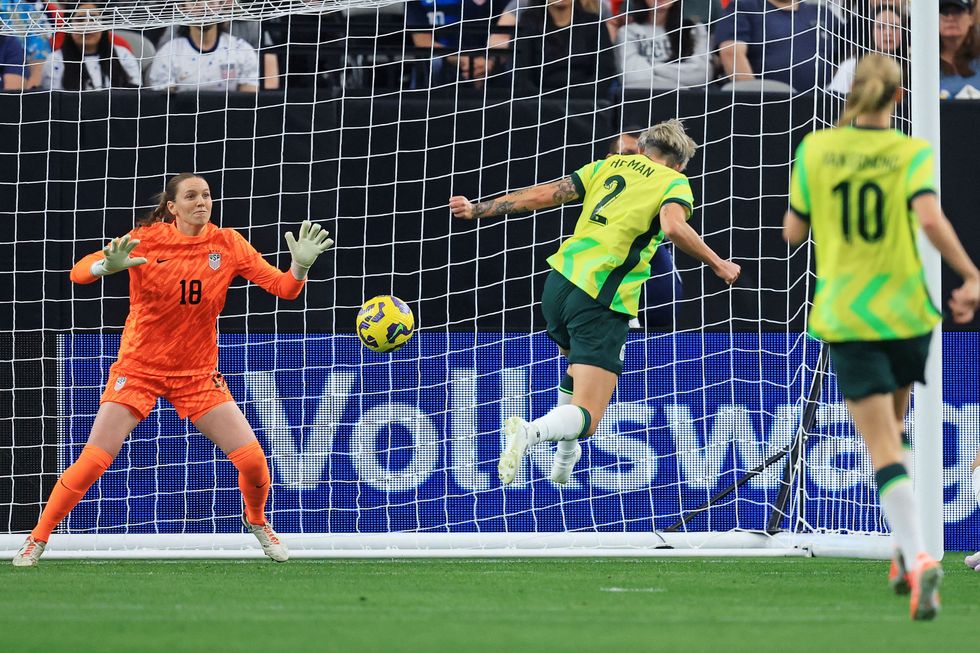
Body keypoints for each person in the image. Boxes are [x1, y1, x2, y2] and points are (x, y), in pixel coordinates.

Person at [11, 173, 334, 567]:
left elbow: (284, 288)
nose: (202, 202)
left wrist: (299, 266)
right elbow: (78, 273)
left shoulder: (227, 243)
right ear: (172, 206)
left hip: (197, 375)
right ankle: (36, 539)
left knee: (252, 460)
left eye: (207, 195)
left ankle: (257, 521)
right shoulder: (148, 238)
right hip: (140, 368)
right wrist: (103, 267)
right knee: (94, 459)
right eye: (192, 196)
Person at [782, 54, 980, 619]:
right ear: (898, 99)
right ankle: (903, 547)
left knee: (882, 447)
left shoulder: (816, 150)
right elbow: (931, 218)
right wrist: (970, 275)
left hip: (852, 315)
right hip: (909, 313)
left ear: (847, 97)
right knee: (895, 430)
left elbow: (793, 231)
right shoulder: (910, 152)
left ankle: (920, 558)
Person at [450, 119, 740, 486]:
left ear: (643, 147)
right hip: (600, 296)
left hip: (558, 285)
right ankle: (530, 432)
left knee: (578, 368)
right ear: (679, 164)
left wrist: (478, 209)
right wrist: (719, 264)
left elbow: (543, 195)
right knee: (589, 416)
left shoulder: (609, 165)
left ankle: (566, 455)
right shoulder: (673, 182)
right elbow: (672, 227)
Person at [607, 131, 683, 327]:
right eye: (628, 154)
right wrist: (718, 264)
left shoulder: (664, 193)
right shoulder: (609, 205)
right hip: (627, 321)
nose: (637, 162)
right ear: (610, 159)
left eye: (643, 156)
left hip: (663, 322)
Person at [490, 0, 616, 97]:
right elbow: (520, 74)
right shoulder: (527, 23)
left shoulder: (594, 23)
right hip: (538, 106)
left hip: (585, 105)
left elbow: (604, 72)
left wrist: (575, 99)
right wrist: (545, 101)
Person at [715, 0, 841, 93]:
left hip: (822, 104)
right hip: (769, 104)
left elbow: (848, 53)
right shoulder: (744, 7)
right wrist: (753, 96)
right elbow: (731, 53)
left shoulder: (821, 12)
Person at [615, 0, 713, 90]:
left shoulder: (694, 30)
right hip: (640, 100)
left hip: (685, 101)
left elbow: (703, 74)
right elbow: (630, 76)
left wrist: (650, 67)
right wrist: (681, 76)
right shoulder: (627, 32)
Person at [42, 3, 142, 90]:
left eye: (94, 19)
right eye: (80, 20)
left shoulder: (123, 55)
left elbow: (135, 95)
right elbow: (53, 103)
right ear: (68, 27)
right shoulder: (55, 61)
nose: (87, 26)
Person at [147, 21, 259, 92]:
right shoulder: (168, 53)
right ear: (183, 7)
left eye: (210, 1)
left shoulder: (243, 50)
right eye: (195, 1)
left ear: (221, 5)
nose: (204, 6)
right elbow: (163, 104)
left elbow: (249, 102)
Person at [827, 4, 904, 94]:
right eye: (881, 27)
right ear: (871, 31)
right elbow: (832, 99)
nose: (888, 33)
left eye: (895, 27)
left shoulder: (913, 69)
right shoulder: (851, 66)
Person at [938, 0, 980, 98]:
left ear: (971, 18)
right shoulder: (922, 62)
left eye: (957, 11)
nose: (950, 18)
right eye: (944, 12)